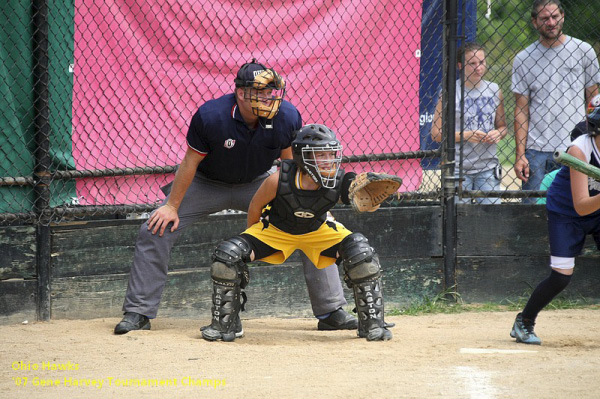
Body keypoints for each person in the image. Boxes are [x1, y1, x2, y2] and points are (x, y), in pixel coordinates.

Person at [114, 60, 357, 334]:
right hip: (207, 183)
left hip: (258, 183)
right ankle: (138, 312)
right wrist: (171, 206)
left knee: (310, 223)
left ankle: (331, 310)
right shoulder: (212, 116)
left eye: (272, 91)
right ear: (241, 93)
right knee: (154, 229)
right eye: (261, 91)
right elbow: (190, 163)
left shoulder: (286, 116)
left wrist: (304, 202)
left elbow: (290, 167)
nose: (269, 97)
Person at [201, 124, 394, 342]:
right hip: (276, 230)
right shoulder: (278, 179)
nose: (328, 161)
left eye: (331, 155)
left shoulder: (339, 179)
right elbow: (255, 206)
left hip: (318, 230)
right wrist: (250, 241)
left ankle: (373, 324)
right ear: (303, 156)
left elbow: (356, 190)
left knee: (361, 252)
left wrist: (370, 198)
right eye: (321, 155)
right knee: (227, 256)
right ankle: (225, 324)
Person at [511, 94, 600, 345]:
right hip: (568, 212)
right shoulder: (579, 150)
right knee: (561, 276)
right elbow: (582, 206)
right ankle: (524, 322)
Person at [512, 0, 600, 203]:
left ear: (562, 16)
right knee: (532, 210)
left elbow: (593, 102)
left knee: (575, 203)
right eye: (544, 18)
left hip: (576, 144)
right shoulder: (523, 58)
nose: (551, 22)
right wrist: (520, 154)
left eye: (555, 16)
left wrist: (591, 142)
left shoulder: (583, 51)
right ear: (535, 22)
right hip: (536, 150)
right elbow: (521, 109)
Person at [431, 42, 508, 204]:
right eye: (472, 63)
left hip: (487, 167)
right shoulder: (450, 92)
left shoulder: (494, 90)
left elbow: (502, 127)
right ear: (460, 65)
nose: (478, 67)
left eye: (481, 62)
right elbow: (436, 134)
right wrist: (466, 135)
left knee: (492, 216)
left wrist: (497, 134)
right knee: (459, 219)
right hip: (459, 168)